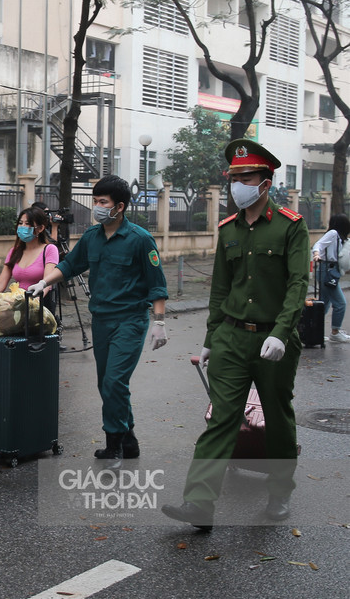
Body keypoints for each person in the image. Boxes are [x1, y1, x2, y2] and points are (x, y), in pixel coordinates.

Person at [162, 139, 309, 529]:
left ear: (266, 182)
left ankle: (279, 492)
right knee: (221, 419)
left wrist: (281, 331)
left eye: (246, 177)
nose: (237, 184)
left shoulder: (290, 227)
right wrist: (211, 338)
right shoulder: (227, 229)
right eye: (233, 178)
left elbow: (298, 284)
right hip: (230, 337)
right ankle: (199, 503)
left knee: (277, 417)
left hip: (273, 340)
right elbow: (219, 290)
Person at [27, 175, 168, 466]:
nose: (97, 207)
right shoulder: (92, 237)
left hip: (130, 320)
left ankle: (113, 444)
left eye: (102, 202)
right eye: (95, 201)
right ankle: (128, 441)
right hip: (101, 321)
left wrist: (159, 321)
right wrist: (44, 282)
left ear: (120, 206)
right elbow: (68, 265)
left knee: (115, 381)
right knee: (107, 383)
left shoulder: (140, 239)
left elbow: (157, 283)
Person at [0, 206, 59, 328]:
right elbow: (1, 283)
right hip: (16, 307)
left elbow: (47, 283)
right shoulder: (14, 251)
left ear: (40, 228)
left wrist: (32, 304)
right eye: (20, 223)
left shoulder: (49, 250)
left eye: (27, 224)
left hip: (39, 310)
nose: (22, 227)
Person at [311, 213, 350, 343]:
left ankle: (316, 332)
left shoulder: (338, 237)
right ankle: (335, 332)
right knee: (340, 303)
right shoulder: (333, 233)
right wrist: (316, 254)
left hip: (331, 270)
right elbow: (318, 245)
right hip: (327, 270)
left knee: (324, 304)